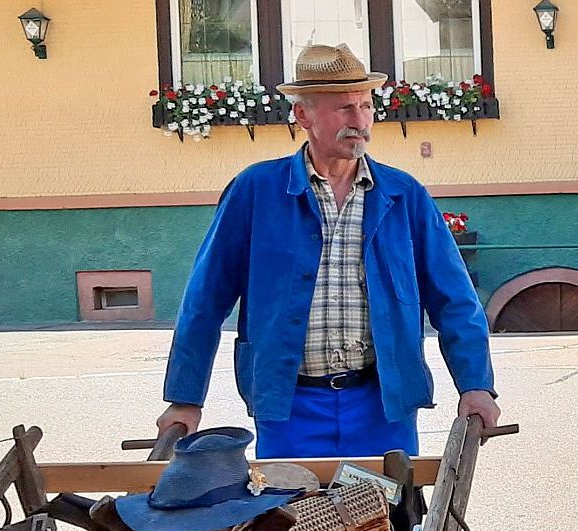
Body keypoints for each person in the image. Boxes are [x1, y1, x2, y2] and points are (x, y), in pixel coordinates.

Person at [156, 43, 499, 458]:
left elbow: (454, 300)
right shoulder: (255, 191)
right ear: (303, 115)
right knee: (289, 519)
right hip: (289, 403)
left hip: (381, 403)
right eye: (343, 108)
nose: (359, 120)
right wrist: (185, 398)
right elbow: (204, 301)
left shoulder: (403, 195)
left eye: (365, 106)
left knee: (387, 519)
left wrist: (475, 385)